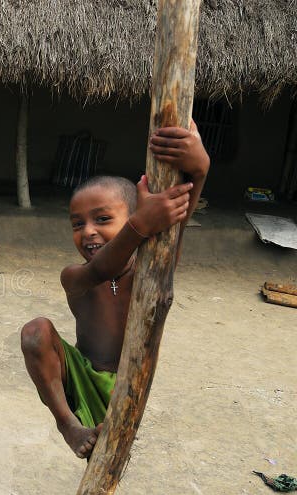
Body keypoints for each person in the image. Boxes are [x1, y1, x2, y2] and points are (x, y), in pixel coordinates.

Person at [21, 121, 210, 459]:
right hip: (80, 378)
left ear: (134, 216)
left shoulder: (151, 270)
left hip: (128, 385)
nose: (88, 232)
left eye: (103, 219)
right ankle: (69, 426)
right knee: (35, 332)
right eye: (77, 224)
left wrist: (200, 168)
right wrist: (140, 224)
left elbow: (177, 219)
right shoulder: (75, 277)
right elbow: (102, 269)